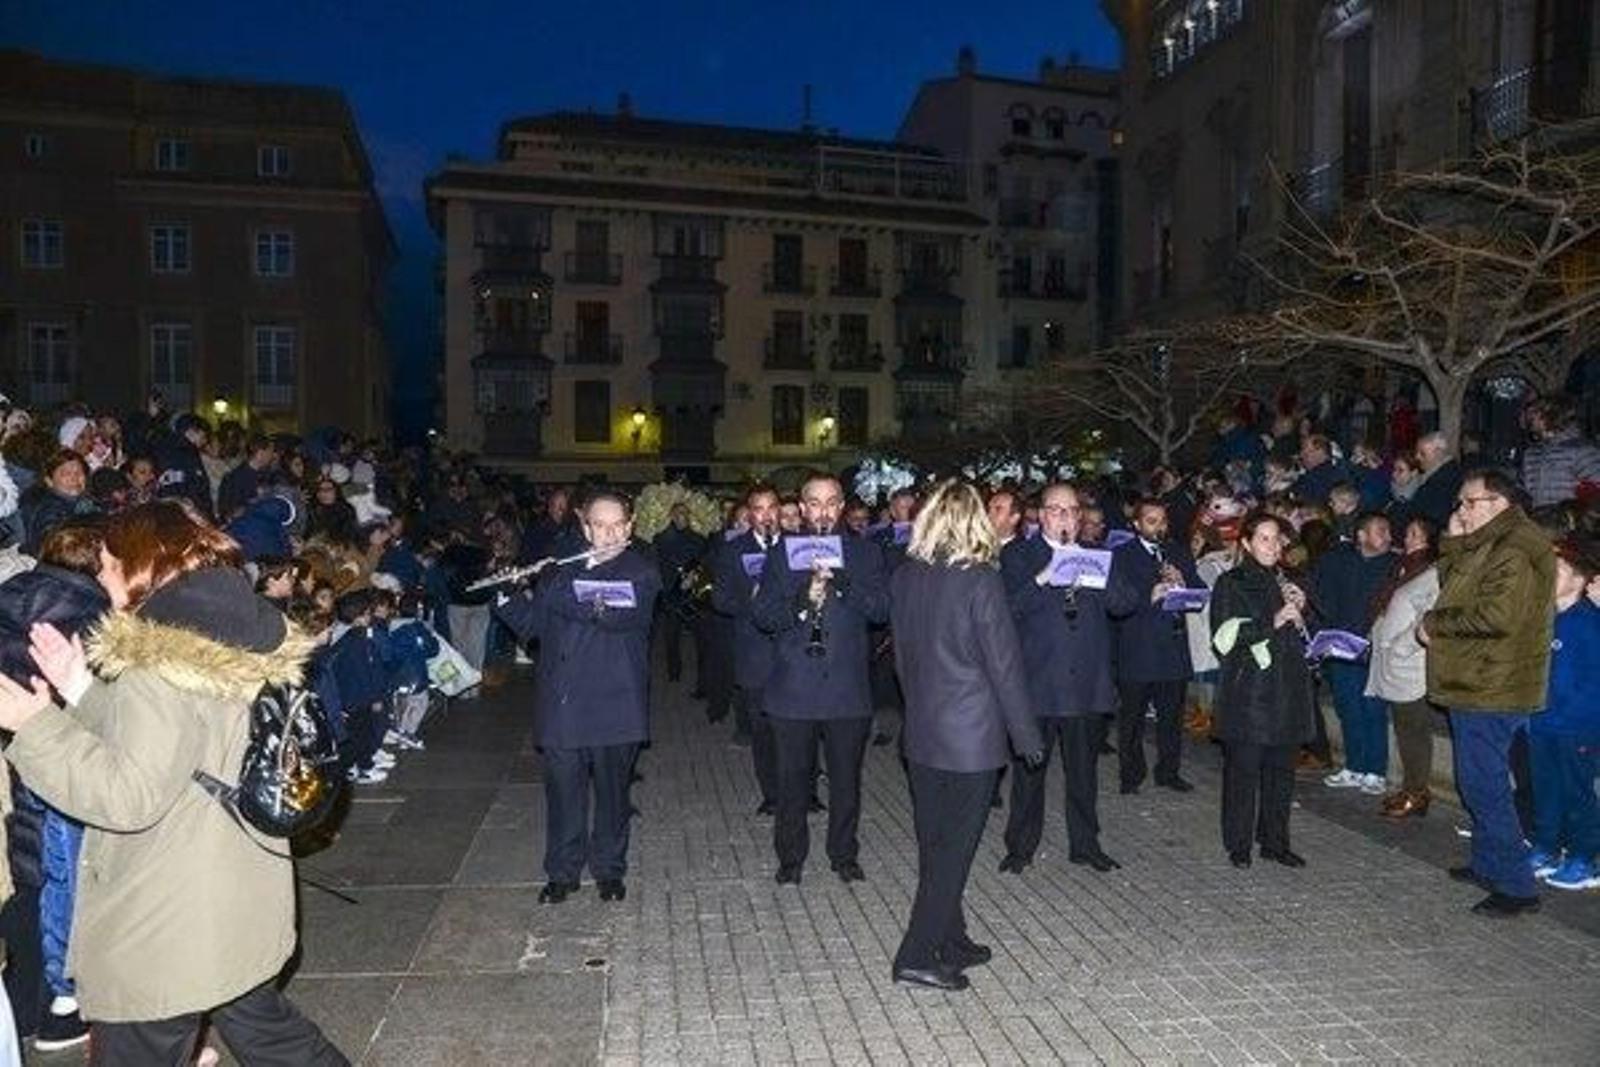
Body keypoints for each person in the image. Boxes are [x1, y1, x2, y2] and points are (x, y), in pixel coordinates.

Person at [0, 499, 347, 1064]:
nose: (102, 573)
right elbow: (184, 739)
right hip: (234, 889)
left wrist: (34, 728)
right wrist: (81, 687)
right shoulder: (233, 627)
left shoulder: (156, 657)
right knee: (274, 1038)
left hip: (166, 919)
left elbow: (127, 795)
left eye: (110, 562)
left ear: (143, 565)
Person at [888, 481, 1043, 992]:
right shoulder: (979, 580)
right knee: (953, 853)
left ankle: (951, 937)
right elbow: (1005, 667)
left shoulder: (907, 575)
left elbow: (904, 659)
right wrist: (1026, 737)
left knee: (936, 844)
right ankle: (915, 952)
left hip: (923, 733)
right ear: (973, 521)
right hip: (970, 739)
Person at [496, 491, 660, 904]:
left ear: (631, 525)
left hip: (615, 704)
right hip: (564, 705)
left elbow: (611, 613)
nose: (608, 533)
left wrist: (550, 587)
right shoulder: (559, 573)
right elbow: (533, 627)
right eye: (599, 525)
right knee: (563, 797)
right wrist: (507, 592)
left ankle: (609, 870)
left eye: (617, 525)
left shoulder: (640, 571)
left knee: (611, 798)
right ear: (585, 527)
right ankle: (563, 872)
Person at [1418, 468, 1555, 917]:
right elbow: (1455, 584)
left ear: (1497, 503)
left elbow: (1495, 615)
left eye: (1467, 503)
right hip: (1477, 680)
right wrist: (1455, 539)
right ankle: (1487, 863)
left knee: (1484, 784)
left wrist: (1432, 626)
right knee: (1476, 780)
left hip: (1492, 684)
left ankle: (1517, 886)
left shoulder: (1516, 548)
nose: (1459, 510)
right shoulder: (1498, 540)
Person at [752, 473, 889, 886]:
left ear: (843, 505)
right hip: (793, 688)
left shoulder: (865, 553)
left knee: (846, 780)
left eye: (832, 502)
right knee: (792, 781)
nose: (824, 511)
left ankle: (844, 855)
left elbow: (882, 609)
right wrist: (801, 600)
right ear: (803, 506)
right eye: (815, 503)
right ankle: (790, 859)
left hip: (847, 690)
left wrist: (842, 582)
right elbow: (762, 616)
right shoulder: (781, 555)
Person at [999, 482, 1138, 875]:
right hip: (1039, 683)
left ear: (1080, 516)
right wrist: (1045, 576)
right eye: (1055, 510)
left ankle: (1086, 844)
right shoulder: (1018, 554)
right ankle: (1020, 847)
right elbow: (1008, 609)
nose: (1063, 517)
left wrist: (1092, 568)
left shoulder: (1098, 555)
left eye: (1070, 510)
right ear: (1040, 515)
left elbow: (1125, 604)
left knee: (1084, 773)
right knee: (1030, 774)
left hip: (1086, 685)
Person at [1209, 511, 1317, 869]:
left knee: (1281, 774)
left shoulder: (1287, 579)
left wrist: (1302, 613)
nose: (1273, 546)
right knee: (1243, 773)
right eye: (1265, 539)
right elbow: (1225, 636)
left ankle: (1275, 842)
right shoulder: (1232, 582)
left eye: (1277, 539)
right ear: (1246, 543)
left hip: (1287, 692)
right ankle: (1238, 844)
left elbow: (1304, 636)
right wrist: (1273, 619)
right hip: (1250, 695)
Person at [1112, 497, 1201, 794]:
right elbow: (1115, 603)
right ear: (1136, 524)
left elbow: (1200, 595)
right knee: (1133, 719)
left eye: (1162, 521)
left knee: (1171, 719)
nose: (1159, 527)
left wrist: (1183, 581)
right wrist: (1149, 595)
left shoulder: (1177, 551)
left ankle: (1169, 772)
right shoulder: (1121, 555)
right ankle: (1131, 775)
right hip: (1138, 648)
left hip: (1172, 648)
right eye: (1151, 521)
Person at [1525, 540, 1600, 891]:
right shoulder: (1545, 618)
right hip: (1541, 722)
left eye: (1557, 572)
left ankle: (1584, 858)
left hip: (1576, 728)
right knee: (1546, 789)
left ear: (1580, 579)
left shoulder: (1589, 622)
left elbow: (1591, 681)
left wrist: (1573, 714)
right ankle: (1546, 847)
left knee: (1577, 792)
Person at [1313, 512, 1396, 795]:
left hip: (1374, 649)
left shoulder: (1393, 566)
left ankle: (1375, 770)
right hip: (1342, 647)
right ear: (1361, 535)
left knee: (1373, 710)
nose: (1387, 536)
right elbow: (1322, 598)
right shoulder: (1338, 562)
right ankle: (1354, 765)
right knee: (1348, 708)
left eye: (1387, 531)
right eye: (1380, 530)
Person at [711, 486, 783, 810]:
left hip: (793, 653)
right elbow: (720, 599)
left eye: (771, 508)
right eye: (758, 508)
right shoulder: (732, 550)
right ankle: (772, 794)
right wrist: (750, 600)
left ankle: (805, 791)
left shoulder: (797, 545)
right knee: (763, 730)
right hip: (755, 651)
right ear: (749, 513)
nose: (766, 515)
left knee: (799, 729)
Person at [1364, 518, 1441, 819]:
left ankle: (1418, 791)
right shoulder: (1404, 567)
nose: (1407, 539)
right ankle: (1411, 787)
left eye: (1415, 534)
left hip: (1411, 665)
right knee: (1404, 728)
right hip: (1394, 664)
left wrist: (1400, 646)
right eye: (1406, 533)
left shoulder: (1430, 573)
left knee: (1414, 730)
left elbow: (1426, 618)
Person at [19, 451, 97, 556]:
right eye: (65, 474)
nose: (74, 478)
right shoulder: (48, 509)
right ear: (49, 481)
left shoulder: (87, 502)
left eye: (79, 472)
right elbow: (53, 546)